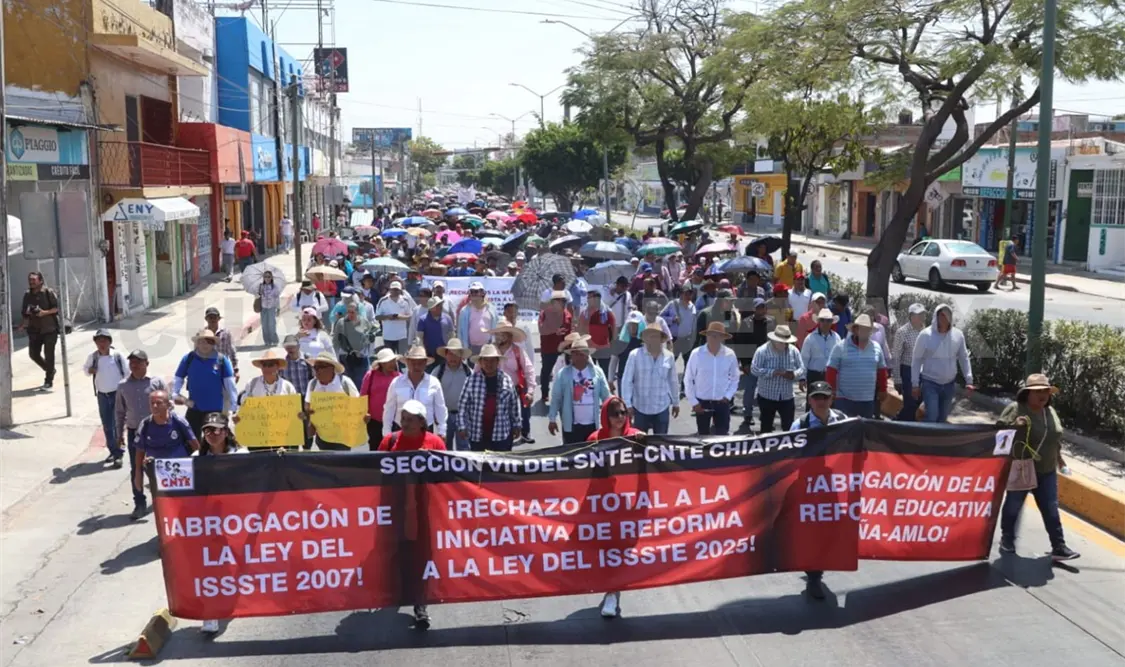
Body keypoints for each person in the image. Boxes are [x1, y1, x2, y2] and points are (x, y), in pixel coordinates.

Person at [997, 374, 1079, 561]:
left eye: (1045, 391)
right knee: (1013, 506)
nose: (1043, 395)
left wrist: (1060, 461)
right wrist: (1014, 426)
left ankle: (1059, 546)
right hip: (1023, 467)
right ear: (1027, 394)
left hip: (1047, 469)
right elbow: (998, 435)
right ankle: (1007, 539)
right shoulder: (1016, 409)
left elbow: (1054, 439)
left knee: (1051, 508)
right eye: (1038, 391)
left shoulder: (1050, 412)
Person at [788, 380, 849, 600]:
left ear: (832, 398)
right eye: (816, 397)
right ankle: (814, 576)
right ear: (809, 400)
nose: (821, 401)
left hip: (835, 486)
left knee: (832, 530)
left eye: (825, 397)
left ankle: (819, 567)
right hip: (810, 488)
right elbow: (790, 457)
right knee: (812, 532)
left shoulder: (844, 421)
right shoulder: (800, 425)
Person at [587, 394, 644, 619]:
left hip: (628, 504)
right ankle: (611, 590)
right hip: (603, 503)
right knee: (607, 549)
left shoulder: (637, 437)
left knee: (621, 549)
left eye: (623, 413)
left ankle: (613, 592)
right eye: (614, 414)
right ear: (605, 416)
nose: (620, 418)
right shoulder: (594, 439)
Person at [113, 350, 167, 519]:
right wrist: (119, 433)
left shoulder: (156, 382)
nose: (134, 365)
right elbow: (119, 411)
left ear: (147, 364)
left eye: (138, 362)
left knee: (159, 468)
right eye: (132, 363)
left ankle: (164, 502)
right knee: (136, 469)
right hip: (134, 432)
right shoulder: (123, 386)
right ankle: (139, 503)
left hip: (156, 431)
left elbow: (168, 405)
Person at [910, 304, 974, 423]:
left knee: (942, 418)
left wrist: (969, 380)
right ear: (936, 317)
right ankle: (926, 440)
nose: (944, 319)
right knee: (932, 416)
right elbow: (916, 359)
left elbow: (964, 357)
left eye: (947, 316)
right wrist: (915, 384)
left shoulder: (958, 335)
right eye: (941, 315)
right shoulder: (925, 335)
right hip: (930, 383)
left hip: (949, 385)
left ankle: (937, 441)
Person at [132, 390, 200, 498]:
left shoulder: (178, 421)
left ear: (168, 404)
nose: (154, 406)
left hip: (181, 473)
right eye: (152, 403)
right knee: (164, 504)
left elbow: (195, 445)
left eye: (158, 403)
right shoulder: (145, 425)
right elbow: (140, 451)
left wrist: (200, 470)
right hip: (158, 475)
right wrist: (138, 474)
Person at [172, 329, 237, 439]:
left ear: (213, 344)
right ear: (197, 343)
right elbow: (178, 378)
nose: (205, 345)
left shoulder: (222, 360)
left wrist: (233, 408)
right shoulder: (188, 359)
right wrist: (175, 394)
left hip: (215, 409)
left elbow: (230, 385)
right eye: (201, 342)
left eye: (208, 342)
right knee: (191, 440)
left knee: (216, 440)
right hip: (194, 408)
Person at [457, 344, 522, 452]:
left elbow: (514, 404)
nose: (489, 364)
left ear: (497, 362)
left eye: (492, 361)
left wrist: (517, 424)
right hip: (477, 434)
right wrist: (462, 426)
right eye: (485, 361)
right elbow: (463, 405)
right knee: (479, 467)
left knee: (502, 467)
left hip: (501, 434)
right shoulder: (471, 380)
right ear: (480, 363)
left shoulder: (506, 379)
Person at [547, 339, 611, 444]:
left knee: (592, 456)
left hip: (593, 424)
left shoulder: (597, 372)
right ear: (571, 356)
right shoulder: (563, 374)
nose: (578, 356)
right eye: (575, 354)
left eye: (581, 353)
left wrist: (611, 415)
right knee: (572, 456)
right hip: (572, 425)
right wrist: (552, 419)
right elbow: (556, 397)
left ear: (587, 355)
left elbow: (606, 396)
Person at [826, 314, 888, 418]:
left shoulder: (876, 347)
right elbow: (831, 370)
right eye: (861, 329)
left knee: (865, 432)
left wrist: (883, 389)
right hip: (844, 399)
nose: (864, 332)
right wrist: (831, 391)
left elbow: (881, 370)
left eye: (867, 329)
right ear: (854, 330)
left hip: (867, 399)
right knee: (845, 431)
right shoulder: (840, 347)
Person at [620, 327, 679, 434]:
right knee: (639, 445)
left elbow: (673, 381)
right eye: (650, 336)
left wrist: (676, 402)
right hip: (640, 407)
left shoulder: (669, 356)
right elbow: (627, 380)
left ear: (661, 339)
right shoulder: (634, 355)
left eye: (656, 336)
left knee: (661, 444)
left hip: (662, 406)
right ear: (645, 339)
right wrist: (627, 404)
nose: (653, 339)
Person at [684, 322, 740, 435]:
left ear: (722, 338)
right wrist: (694, 402)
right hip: (702, 402)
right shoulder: (697, 354)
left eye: (717, 336)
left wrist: (728, 396)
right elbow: (688, 378)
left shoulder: (730, 354)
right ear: (707, 336)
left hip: (722, 402)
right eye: (711, 335)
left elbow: (735, 378)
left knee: (722, 436)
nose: (713, 338)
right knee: (703, 437)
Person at [84, 328, 127, 467]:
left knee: (118, 424)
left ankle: (119, 453)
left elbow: (127, 373)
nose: (101, 344)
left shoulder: (117, 356)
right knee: (107, 425)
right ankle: (113, 450)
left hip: (117, 394)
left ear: (109, 342)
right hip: (102, 395)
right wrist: (90, 370)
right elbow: (85, 370)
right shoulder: (93, 357)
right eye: (99, 341)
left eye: (104, 340)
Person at [750, 325, 805, 433]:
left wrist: (794, 374)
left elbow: (802, 368)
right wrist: (773, 372)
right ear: (774, 340)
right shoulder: (762, 351)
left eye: (786, 342)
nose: (785, 345)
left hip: (786, 396)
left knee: (789, 428)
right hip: (767, 395)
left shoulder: (793, 351)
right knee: (766, 427)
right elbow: (754, 369)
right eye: (781, 342)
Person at [383, 345, 448, 438]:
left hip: (426, 432)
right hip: (400, 431)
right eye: (413, 362)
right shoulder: (396, 383)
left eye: (420, 363)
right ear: (407, 362)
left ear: (425, 363)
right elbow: (389, 410)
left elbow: (440, 409)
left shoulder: (434, 383)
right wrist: (387, 434)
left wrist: (442, 431)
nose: (416, 366)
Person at [304, 352, 363, 451]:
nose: (317, 371)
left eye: (320, 367)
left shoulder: (345, 382)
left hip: (342, 436)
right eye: (315, 368)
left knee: (341, 463)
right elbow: (307, 405)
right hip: (322, 435)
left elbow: (357, 405)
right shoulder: (313, 384)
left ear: (331, 368)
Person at [733, 298, 775, 433]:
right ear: (754, 308)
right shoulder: (746, 323)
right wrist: (744, 363)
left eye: (763, 307)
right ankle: (748, 415)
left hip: (768, 361)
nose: (761, 310)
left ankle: (765, 416)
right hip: (751, 361)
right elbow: (740, 343)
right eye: (758, 307)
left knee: (767, 390)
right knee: (750, 389)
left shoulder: (772, 321)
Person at [489, 325, 535, 444]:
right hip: (494, 389)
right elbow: (478, 370)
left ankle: (524, 431)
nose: (498, 337)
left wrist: (530, 391)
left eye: (501, 334)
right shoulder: (490, 350)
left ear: (509, 337)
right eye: (497, 334)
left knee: (521, 411)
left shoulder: (517, 351)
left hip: (514, 389)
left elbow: (529, 370)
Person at [18, 271, 60, 391]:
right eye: (30, 280)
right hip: (34, 330)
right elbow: (24, 312)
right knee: (33, 354)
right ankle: (50, 369)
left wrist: (44, 312)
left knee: (49, 355)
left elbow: (56, 308)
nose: (31, 282)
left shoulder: (48, 292)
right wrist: (24, 322)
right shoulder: (27, 295)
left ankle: (48, 381)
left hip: (49, 329)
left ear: (40, 281)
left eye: (34, 280)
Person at [430, 340, 472, 450]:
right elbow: (431, 394)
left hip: (463, 416)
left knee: (464, 449)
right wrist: (434, 413)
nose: (453, 357)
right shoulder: (438, 372)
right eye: (450, 354)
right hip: (444, 416)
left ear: (461, 356)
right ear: (446, 355)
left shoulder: (469, 373)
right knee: (444, 448)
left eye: (456, 354)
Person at [890, 303, 927, 421]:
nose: (922, 317)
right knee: (910, 403)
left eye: (923, 314)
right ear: (911, 316)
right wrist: (897, 379)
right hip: (908, 371)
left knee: (919, 400)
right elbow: (896, 356)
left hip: (923, 371)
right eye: (919, 314)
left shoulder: (925, 331)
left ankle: (899, 420)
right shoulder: (902, 332)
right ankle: (903, 425)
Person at [800, 308, 841, 410]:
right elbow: (804, 359)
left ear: (832, 322)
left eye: (828, 320)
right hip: (814, 375)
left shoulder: (837, 337)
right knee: (812, 404)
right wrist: (802, 378)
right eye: (822, 320)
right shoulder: (810, 338)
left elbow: (840, 358)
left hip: (831, 376)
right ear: (818, 322)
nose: (825, 323)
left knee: (830, 404)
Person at [360, 348, 400, 449]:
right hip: (374, 421)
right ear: (381, 363)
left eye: (393, 361)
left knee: (393, 447)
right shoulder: (371, 375)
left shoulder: (399, 377)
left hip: (394, 421)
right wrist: (364, 412)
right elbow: (363, 395)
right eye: (388, 362)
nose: (391, 364)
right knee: (375, 446)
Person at [538, 291, 573, 402]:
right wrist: (554, 331)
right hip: (549, 347)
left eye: (564, 301)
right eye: (560, 301)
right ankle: (545, 393)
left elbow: (570, 328)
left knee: (566, 372)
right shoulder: (544, 313)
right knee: (546, 372)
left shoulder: (567, 314)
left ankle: (564, 393)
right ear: (553, 302)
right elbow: (541, 329)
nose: (563, 303)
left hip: (565, 348)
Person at [334, 298, 376, 388]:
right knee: (346, 384)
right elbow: (336, 342)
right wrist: (336, 358)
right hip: (345, 358)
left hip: (360, 358)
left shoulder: (365, 323)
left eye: (353, 312)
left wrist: (367, 353)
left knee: (360, 384)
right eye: (348, 312)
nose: (350, 314)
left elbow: (370, 340)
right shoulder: (341, 323)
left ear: (357, 312)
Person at [457, 281, 499, 355]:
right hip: (471, 348)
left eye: (476, 291)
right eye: (471, 291)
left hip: (489, 347)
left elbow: (497, 328)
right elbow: (460, 332)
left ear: (482, 293)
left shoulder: (492, 309)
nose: (473, 294)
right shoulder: (464, 311)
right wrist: (463, 349)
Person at [374, 281, 412, 354]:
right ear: (390, 289)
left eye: (397, 289)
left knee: (402, 359)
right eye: (393, 289)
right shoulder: (383, 300)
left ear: (400, 290)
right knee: (389, 358)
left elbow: (410, 316)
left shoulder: (405, 300)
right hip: (388, 335)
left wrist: (400, 317)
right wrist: (388, 317)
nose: (395, 291)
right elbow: (377, 317)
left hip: (402, 336)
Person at [415, 296, 455, 362]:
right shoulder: (423, 320)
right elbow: (419, 337)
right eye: (438, 305)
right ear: (431, 308)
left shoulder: (448, 318)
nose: (441, 307)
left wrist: (452, 350)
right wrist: (422, 352)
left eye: (441, 304)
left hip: (444, 353)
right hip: (429, 353)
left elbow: (452, 335)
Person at [257, 270, 282, 347]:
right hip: (263, 307)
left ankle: (274, 340)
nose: (267, 278)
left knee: (272, 324)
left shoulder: (274, 287)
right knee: (264, 325)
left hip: (271, 307)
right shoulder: (261, 286)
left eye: (268, 277)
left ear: (271, 278)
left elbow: (277, 298)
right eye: (265, 277)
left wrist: (278, 308)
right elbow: (257, 295)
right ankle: (267, 341)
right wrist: (259, 293)